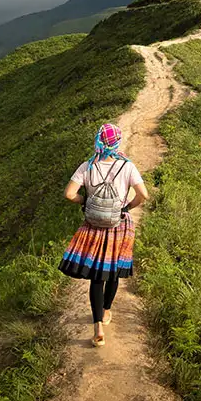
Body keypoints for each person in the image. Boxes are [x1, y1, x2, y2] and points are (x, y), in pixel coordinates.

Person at [60, 123, 149, 347]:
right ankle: (107, 310)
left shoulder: (87, 166)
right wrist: (127, 207)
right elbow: (144, 195)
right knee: (113, 272)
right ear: (117, 142)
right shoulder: (127, 166)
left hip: (93, 225)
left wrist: (85, 201)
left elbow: (69, 194)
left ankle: (98, 325)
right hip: (119, 224)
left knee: (96, 277)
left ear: (98, 140)